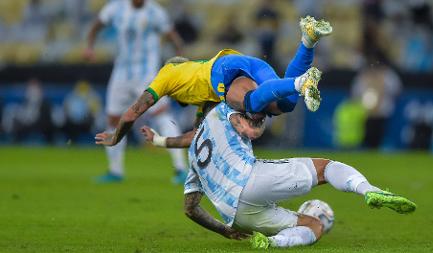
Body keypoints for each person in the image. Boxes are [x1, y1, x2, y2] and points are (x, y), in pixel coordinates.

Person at [140, 102, 416, 249]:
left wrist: (224, 230)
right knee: (325, 167)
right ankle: (367, 189)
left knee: (313, 226)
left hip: (234, 214)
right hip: (250, 180)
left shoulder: (194, 157)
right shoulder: (223, 111)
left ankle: (272, 243)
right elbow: (251, 126)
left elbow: (190, 209)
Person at [95, 16, 332, 149]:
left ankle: (301, 82)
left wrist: (116, 137)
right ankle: (308, 40)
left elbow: (132, 113)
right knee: (286, 104)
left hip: (223, 70)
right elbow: (196, 135)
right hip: (248, 64)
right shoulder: (201, 96)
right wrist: (158, 140)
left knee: (252, 103)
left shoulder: (166, 74)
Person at [85, 0, 187, 183]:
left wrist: (182, 62)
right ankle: (115, 171)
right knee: (113, 120)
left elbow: (173, 37)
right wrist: (89, 47)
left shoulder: (155, 12)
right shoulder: (115, 8)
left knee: (161, 114)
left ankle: (181, 169)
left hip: (147, 74)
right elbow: (96, 26)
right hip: (122, 74)